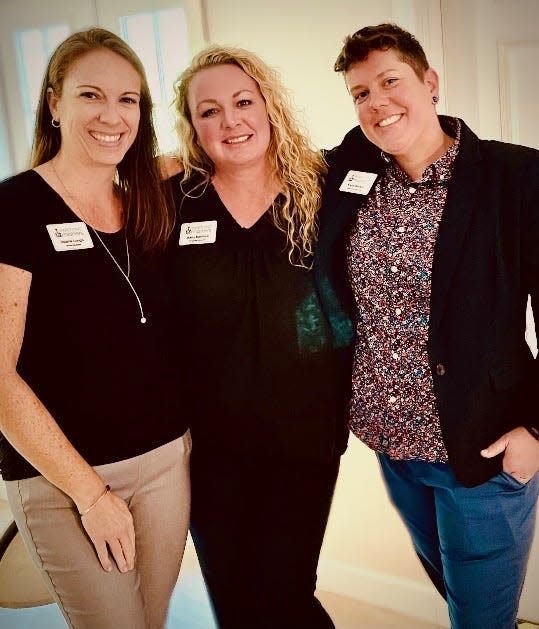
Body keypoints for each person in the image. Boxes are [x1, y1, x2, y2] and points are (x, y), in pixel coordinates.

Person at [314, 22, 539, 629]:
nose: (377, 103)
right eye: (361, 93)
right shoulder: (352, 172)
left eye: (390, 82)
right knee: (456, 595)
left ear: (430, 83)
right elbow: (268, 166)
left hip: (483, 447)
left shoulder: (513, 177)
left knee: (481, 618)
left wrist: (537, 430)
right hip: (392, 445)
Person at [0, 28, 191, 629]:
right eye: (91, 95)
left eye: (128, 100)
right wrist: (91, 496)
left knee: (150, 622)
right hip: (65, 480)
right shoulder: (15, 207)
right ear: (54, 103)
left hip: (167, 462)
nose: (112, 115)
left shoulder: (148, 202)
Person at [169, 45, 353, 629]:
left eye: (244, 101)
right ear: (192, 127)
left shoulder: (327, 188)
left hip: (305, 436)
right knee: (233, 598)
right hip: (208, 447)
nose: (231, 121)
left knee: (286, 593)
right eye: (209, 111)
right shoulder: (173, 202)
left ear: (268, 105)